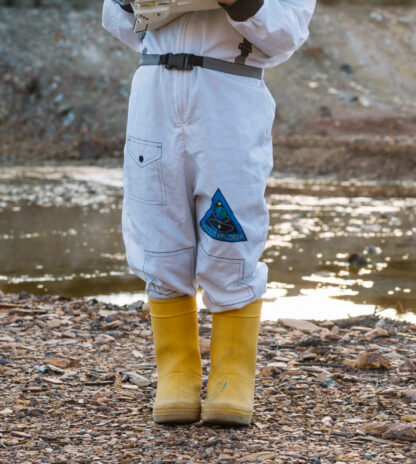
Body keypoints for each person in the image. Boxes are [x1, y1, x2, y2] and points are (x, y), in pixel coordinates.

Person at [101, 0, 315, 425]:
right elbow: (119, 22)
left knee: (232, 227)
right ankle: (176, 373)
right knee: (156, 226)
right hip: (155, 88)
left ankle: (231, 376)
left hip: (229, 91)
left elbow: (286, 34)